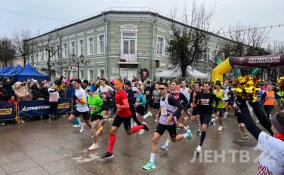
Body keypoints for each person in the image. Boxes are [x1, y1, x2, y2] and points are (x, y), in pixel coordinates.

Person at [142, 83, 192, 170]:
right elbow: (163, 108)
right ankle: (151, 162)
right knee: (155, 139)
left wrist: (172, 116)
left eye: (162, 88)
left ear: (166, 89)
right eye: (159, 88)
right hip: (162, 123)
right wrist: (160, 114)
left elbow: (180, 107)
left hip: (171, 123)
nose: (160, 90)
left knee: (174, 139)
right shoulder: (161, 98)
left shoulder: (170, 98)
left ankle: (187, 134)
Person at [235, 97, 284, 175]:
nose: (271, 123)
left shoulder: (279, 146)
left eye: (273, 123)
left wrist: (243, 106)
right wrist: (253, 104)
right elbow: (264, 120)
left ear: (278, 128)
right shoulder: (281, 136)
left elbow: (251, 127)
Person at [101, 80, 149, 159]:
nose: (114, 86)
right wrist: (107, 97)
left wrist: (118, 107)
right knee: (112, 131)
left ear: (120, 85)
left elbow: (126, 106)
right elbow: (113, 97)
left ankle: (142, 126)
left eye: (115, 84)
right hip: (119, 115)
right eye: (113, 84)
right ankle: (110, 152)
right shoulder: (116, 92)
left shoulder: (123, 93)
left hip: (126, 115)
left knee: (129, 132)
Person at [160, 79, 189, 151]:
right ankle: (185, 128)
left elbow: (186, 102)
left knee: (170, 126)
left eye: (173, 84)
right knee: (176, 125)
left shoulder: (180, 94)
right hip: (168, 112)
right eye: (171, 84)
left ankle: (166, 144)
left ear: (177, 85)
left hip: (176, 113)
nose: (172, 85)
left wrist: (182, 109)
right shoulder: (168, 93)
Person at [195, 82, 220, 153]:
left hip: (208, 114)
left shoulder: (212, 95)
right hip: (201, 113)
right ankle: (211, 122)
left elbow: (217, 101)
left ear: (209, 87)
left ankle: (200, 146)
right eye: (204, 86)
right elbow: (195, 100)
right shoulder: (200, 94)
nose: (205, 88)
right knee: (204, 127)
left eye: (206, 86)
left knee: (203, 128)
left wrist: (214, 111)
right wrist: (197, 111)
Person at [87, 85, 104, 151]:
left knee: (92, 129)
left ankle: (95, 144)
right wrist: (89, 112)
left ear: (93, 91)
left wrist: (96, 112)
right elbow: (90, 106)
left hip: (98, 115)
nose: (88, 92)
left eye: (89, 90)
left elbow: (103, 107)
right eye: (87, 91)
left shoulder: (97, 98)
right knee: (93, 129)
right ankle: (100, 127)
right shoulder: (88, 98)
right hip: (92, 115)